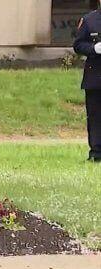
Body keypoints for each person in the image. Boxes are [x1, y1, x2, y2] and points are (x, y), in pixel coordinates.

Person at [74, 8, 101, 162]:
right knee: (96, 116)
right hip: (95, 77)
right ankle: (97, 153)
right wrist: (93, 49)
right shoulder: (89, 20)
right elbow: (78, 45)